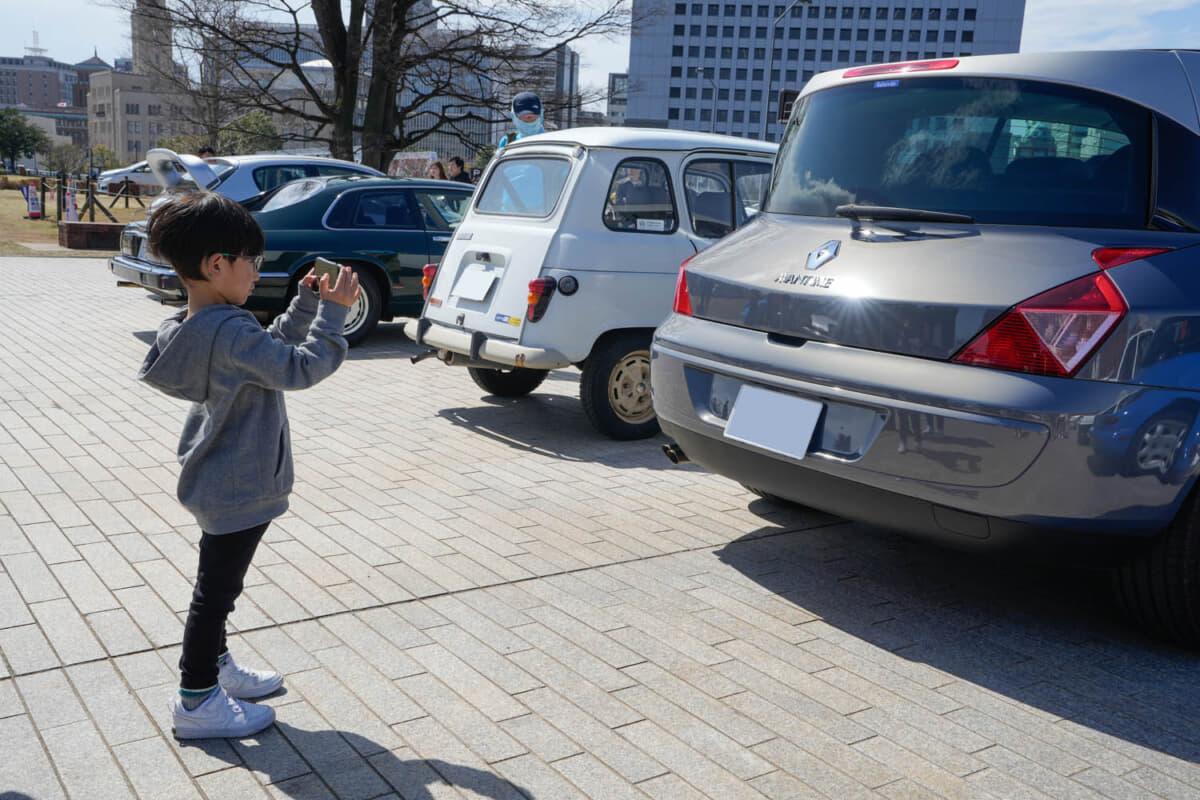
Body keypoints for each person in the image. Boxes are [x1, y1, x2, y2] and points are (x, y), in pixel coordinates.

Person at [138, 191, 361, 739]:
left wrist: (305, 304)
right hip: (238, 485)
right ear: (218, 265)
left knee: (215, 586)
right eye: (252, 262)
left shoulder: (198, 324)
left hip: (216, 476)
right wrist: (334, 312)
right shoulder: (231, 331)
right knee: (215, 594)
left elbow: (264, 355)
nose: (256, 272)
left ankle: (215, 671)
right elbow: (298, 368)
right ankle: (196, 702)